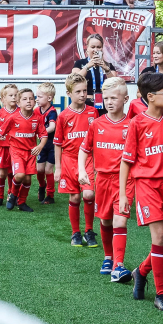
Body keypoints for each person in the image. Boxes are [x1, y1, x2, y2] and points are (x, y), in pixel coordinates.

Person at [122, 72, 163, 310]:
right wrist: (124, 195)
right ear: (151, 96)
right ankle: (161, 294)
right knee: (158, 239)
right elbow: (126, 161)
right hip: (147, 185)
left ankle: (141, 271)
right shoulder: (137, 123)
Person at [79, 77, 134, 282]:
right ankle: (108, 257)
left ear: (125, 99)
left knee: (120, 220)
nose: (109, 102)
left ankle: (119, 265)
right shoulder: (97, 124)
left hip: (124, 181)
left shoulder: (132, 125)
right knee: (106, 219)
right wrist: (81, 170)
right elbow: (84, 149)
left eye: (114, 98)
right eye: (106, 98)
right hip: (101, 178)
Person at [0, 88, 47, 213]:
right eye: (25, 99)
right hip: (16, 152)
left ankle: (21, 202)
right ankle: (11, 195)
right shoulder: (13, 118)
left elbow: (43, 135)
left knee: (27, 179)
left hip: (31, 153)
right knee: (18, 175)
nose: (28, 101)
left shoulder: (37, 118)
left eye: (31, 99)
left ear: (35, 102)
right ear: (19, 103)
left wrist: (40, 146)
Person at [53, 73, 98, 247]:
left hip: (87, 159)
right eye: (78, 91)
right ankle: (75, 233)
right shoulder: (64, 115)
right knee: (75, 198)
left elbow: (96, 140)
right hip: (69, 160)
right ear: (69, 93)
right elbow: (58, 143)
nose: (82, 94)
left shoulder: (93, 112)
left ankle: (88, 230)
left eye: (85, 91)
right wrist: (57, 168)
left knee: (88, 194)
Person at [72, 34, 117, 111]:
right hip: (85, 102)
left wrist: (107, 70)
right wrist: (88, 66)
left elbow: (115, 84)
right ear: (87, 49)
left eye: (98, 47)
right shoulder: (79, 63)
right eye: (93, 47)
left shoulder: (108, 65)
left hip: (104, 102)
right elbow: (73, 81)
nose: (96, 50)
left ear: (102, 49)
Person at [35, 83, 57, 205]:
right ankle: (42, 186)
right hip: (41, 145)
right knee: (39, 170)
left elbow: (52, 127)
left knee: (48, 170)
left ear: (49, 98)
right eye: (36, 96)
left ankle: (50, 195)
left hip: (52, 144)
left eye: (39, 97)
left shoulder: (52, 112)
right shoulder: (36, 111)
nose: (36, 99)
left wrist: (40, 132)